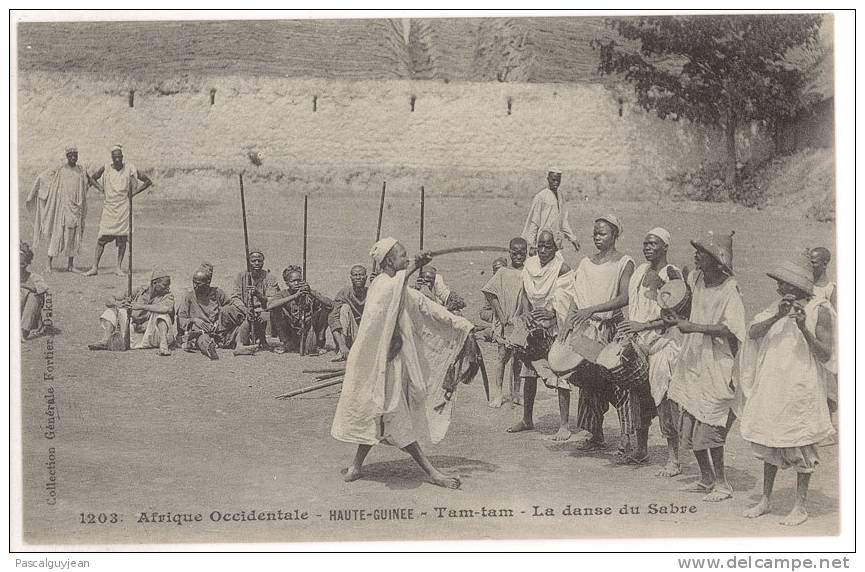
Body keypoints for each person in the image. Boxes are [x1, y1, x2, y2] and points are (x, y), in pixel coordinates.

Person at [331, 237, 479, 489]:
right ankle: (433, 473)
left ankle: (358, 465)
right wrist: (413, 267)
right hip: (371, 365)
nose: (405, 259)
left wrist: (464, 326)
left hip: (390, 366)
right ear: (389, 261)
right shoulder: (381, 285)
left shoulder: (401, 289)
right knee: (382, 413)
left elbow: (427, 306)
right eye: (402, 256)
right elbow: (390, 294)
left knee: (382, 413)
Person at [739, 255, 835, 526]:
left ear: (796, 287)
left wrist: (803, 327)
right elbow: (753, 333)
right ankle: (766, 499)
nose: (778, 287)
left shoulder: (820, 310)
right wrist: (778, 316)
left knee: (801, 441)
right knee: (771, 438)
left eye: (783, 283)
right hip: (774, 384)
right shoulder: (776, 307)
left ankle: (800, 506)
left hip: (801, 386)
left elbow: (827, 353)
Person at [666, 230, 745, 503]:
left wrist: (694, 327)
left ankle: (722, 483)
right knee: (690, 419)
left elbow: (731, 329)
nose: (697, 254)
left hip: (717, 364)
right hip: (694, 360)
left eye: (702, 252)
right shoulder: (697, 278)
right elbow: (687, 298)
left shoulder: (729, 289)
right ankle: (706, 478)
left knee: (710, 428)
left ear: (716, 260)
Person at [564, 215, 637, 449]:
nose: (597, 237)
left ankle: (627, 436)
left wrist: (592, 309)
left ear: (615, 235)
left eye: (602, 233)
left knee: (620, 380)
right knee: (588, 380)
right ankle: (595, 434)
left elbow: (624, 298)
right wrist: (568, 324)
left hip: (612, 328)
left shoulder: (624, 262)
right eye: (595, 233)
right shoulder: (585, 263)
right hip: (588, 329)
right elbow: (576, 298)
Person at [619, 228, 683, 473]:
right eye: (645, 243)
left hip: (663, 344)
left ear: (665, 247)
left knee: (664, 398)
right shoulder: (639, 272)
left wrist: (643, 325)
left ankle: (673, 458)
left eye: (653, 244)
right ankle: (641, 449)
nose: (647, 247)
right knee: (639, 395)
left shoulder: (671, 273)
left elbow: (676, 316)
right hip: (640, 342)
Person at [506, 230, 572, 434]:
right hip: (533, 326)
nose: (543, 250)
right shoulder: (530, 264)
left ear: (555, 247)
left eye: (548, 246)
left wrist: (552, 315)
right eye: (540, 246)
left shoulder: (562, 268)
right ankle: (527, 419)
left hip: (555, 328)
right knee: (529, 374)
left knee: (561, 374)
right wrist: (526, 313)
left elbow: (569, 300)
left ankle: (564, 425)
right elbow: (525, 292)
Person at [84, 145, 153, 276]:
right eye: (115, 157)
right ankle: (94, 268)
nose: (117, 160)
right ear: (112, 158)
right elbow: (92, 178)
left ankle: (118, 267)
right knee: (102, 237)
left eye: (119, 157)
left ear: (122, 157)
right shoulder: (106, 168)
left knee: (122, 238)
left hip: (123, 208)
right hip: (109, 207)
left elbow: (147, 181)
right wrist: (100, 188)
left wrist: (133, 194)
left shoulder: (130, 168)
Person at [25, 146, 93, 273]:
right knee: (57, 235)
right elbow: (43, 177)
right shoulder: (60, 170)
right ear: (67, 157)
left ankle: (70, 265)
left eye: (76, 155)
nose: (74, 157)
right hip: (62, 209)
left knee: (73, 236)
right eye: (71, 155)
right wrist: (38, 191)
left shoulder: (80, 170)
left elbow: (88, 181)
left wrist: (100, 188)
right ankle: (48, 265)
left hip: (75, 208)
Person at [481, 238, 529, 407]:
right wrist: (500, 315)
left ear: (526, 252)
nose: (518, 256)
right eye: (514, 252)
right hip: (505, 322)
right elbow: (489, 292)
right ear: (509, 252)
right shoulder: (503, 272)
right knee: (502, 357)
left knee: (519, 359)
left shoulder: (529, 272)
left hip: (521, 323)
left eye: (522, 252)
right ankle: (498, 394)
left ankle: (516, 393)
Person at [88, 268, 175, 355]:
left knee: (162, 314)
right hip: (134, 335)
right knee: (111, 310)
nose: (168, 288)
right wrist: (117, 304)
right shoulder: (140, 291)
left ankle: (163, 347)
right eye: (165, 285)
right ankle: (105, 340)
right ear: (155, 283)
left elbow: (167, 308)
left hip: (154, 335)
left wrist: (142, 306)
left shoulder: (168, 295)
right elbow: (109, 299)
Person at [176, 264, 246, 359]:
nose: (195, 286)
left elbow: (229, 307)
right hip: (201, 332)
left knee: (239, 328)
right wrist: (194, 320)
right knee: (203, 340)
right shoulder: (189, 297)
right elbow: (181, 319)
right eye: (194, 283)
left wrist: (219, 320)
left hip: (220, 331)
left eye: (199, 283)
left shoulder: (218, 293)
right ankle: (209, 349)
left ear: (208, 282)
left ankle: (240, 346)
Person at [267, 265, 333, 355]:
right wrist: (295, 296)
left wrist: (311, 292)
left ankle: (318, 343)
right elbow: (270, 305)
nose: (297, 283)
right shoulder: (283, 294)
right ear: (287, 283)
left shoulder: (309, 292)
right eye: (293, 281)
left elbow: (330, 304)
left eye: (299, 280)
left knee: (324, 307)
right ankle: (287, 343)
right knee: (275, 309)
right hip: (292, 329)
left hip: (308, 328)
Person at [230, 249, 281, 354]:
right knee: (228, 311)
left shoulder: (270, 278)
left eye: (259, 261)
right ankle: (239, 343)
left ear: (263, 262)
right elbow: (235, 297)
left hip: (263, 310)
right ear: (249, 262)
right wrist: (245, 309)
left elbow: (272, 300)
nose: (257, 263)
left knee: (265, 316)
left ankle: (262, 340)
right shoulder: (241, 276)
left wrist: (258, 294)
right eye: (253, 261)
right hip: (244, 309)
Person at [522, 168, 580, 253]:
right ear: (548, 179)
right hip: (543, 242)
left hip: (556, 242)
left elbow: (563, 221)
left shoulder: (560, 195)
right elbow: (534, 222)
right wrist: (532, 245)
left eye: (558, 180)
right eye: (553, 180)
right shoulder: (541, 196)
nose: (556, 183)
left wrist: (573, 238)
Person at [329, 265, 369, 362]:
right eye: (355, 275)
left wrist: (377, 284)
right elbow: (332, 318)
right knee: (344, 308)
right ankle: (342, 351)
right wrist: (342, 345)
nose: (358, 277)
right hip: (352, 334)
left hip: (367, 333)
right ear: (351, 278)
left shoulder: (372, 291)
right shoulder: (345, 292)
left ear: (366, 277)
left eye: (361, 275)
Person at [20, 242, 48, 340]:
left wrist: (29, 288)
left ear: (27, 263)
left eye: (22, 264)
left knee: (35, 295)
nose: (19, 267)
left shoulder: (34, 277)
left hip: (25, 318)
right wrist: (25, 286)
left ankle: (23, 331)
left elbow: (42, 289)